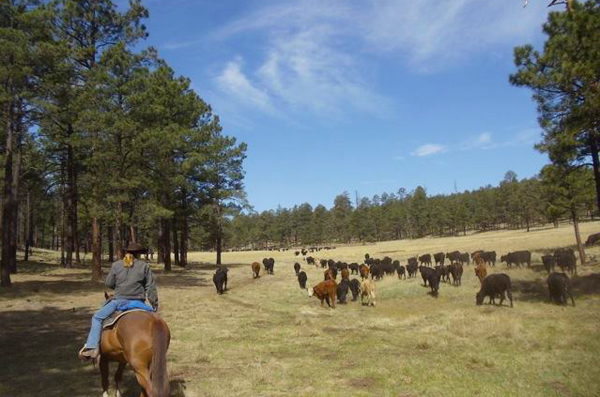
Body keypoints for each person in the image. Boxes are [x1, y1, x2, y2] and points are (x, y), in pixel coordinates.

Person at [78, 242, 158, 360]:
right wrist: (154, 304)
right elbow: (150, 287)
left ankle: (92, 347)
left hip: (119, 301)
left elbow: (109, 283)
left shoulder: (116, 265)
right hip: (138, 303)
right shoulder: (144, 266)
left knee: (97, 317)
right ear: (139, 254)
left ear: (127, 252)